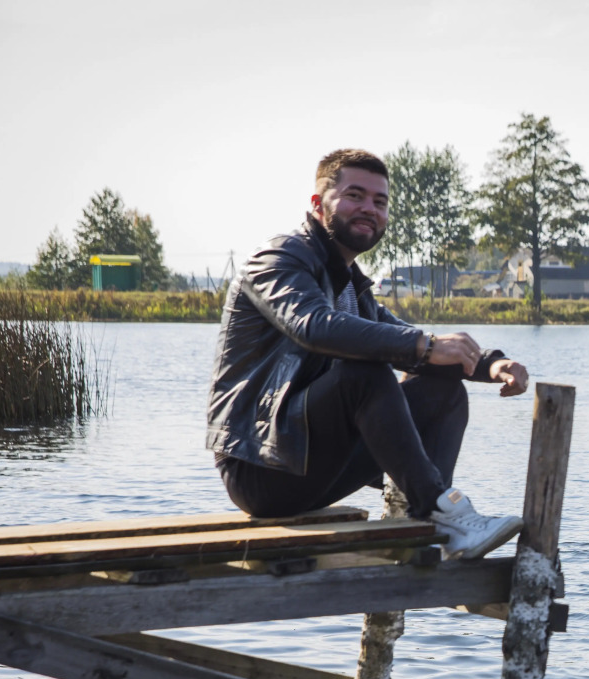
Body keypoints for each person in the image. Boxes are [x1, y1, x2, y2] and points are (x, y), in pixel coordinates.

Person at [206, 148, 530, 559]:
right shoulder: (277, 260)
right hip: (262, 469)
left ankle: (429, 521)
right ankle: (443, 509)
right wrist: (426, 346)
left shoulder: (350, 284)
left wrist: (489, 364)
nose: (369, 209)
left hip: (317, 463)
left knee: (441, 387)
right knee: (364, 375)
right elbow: (312, 325)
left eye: (380, 201)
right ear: (318, 204)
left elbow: (396, 335)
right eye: (355, 196)